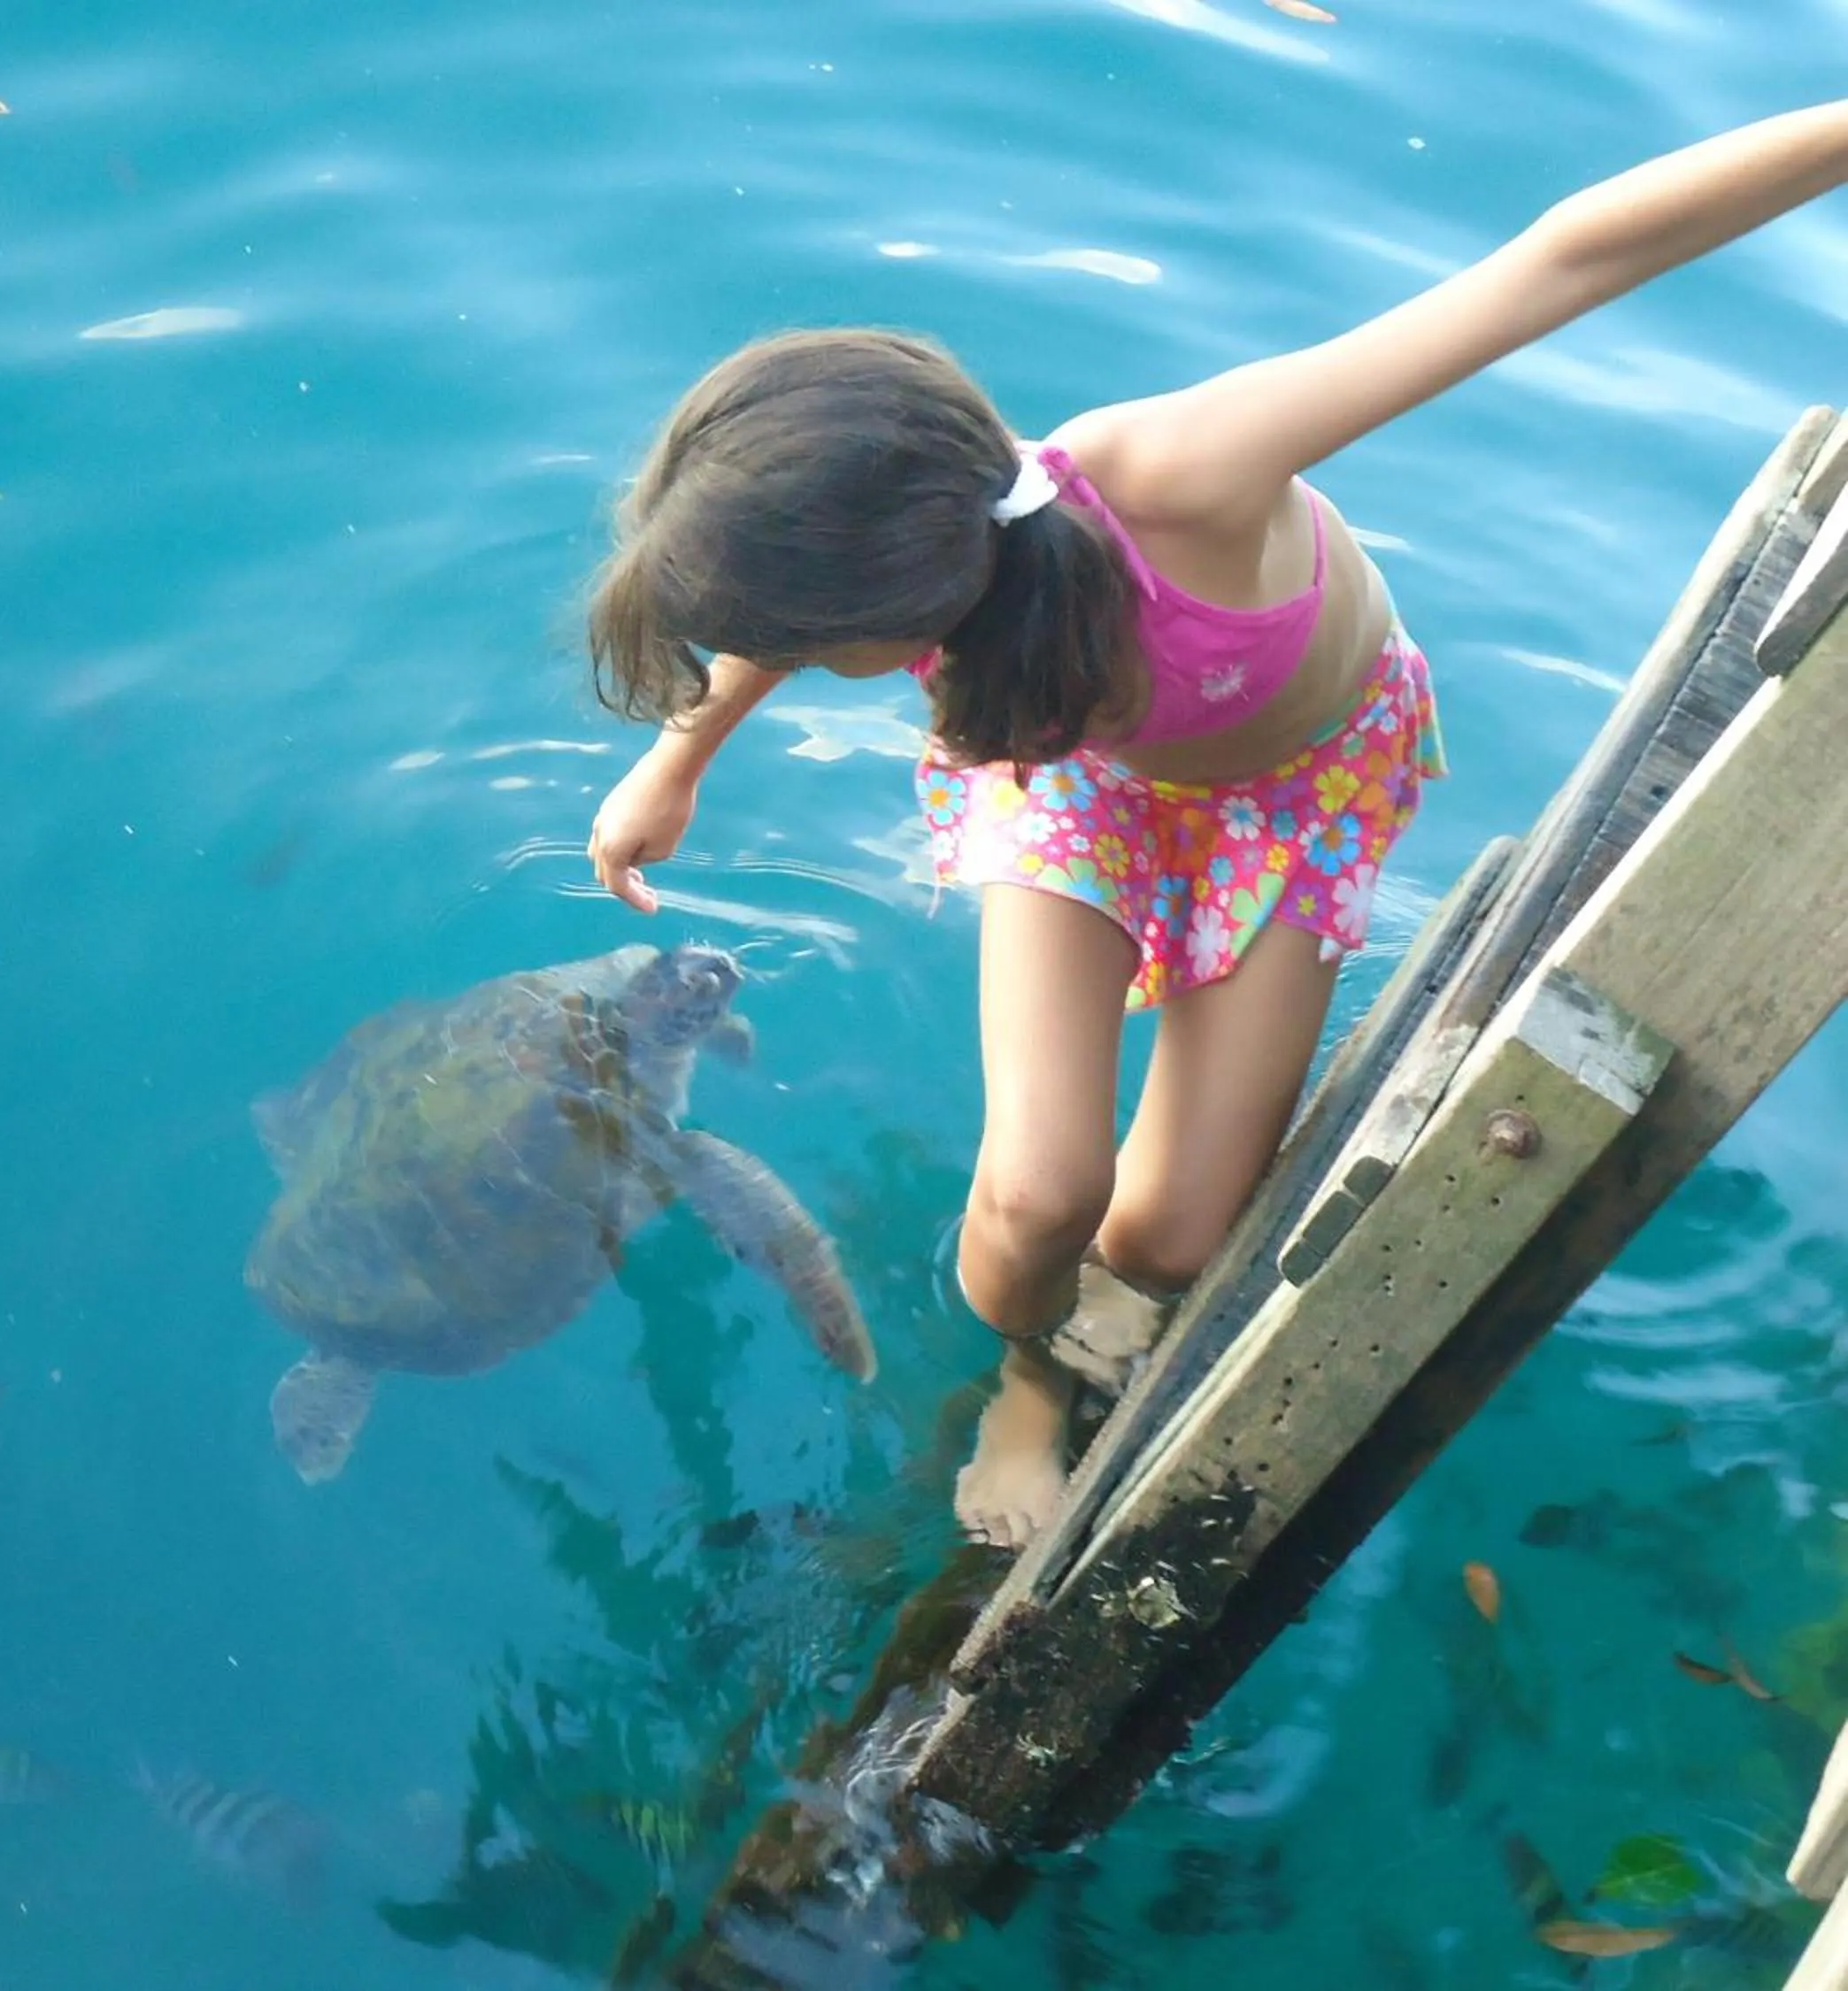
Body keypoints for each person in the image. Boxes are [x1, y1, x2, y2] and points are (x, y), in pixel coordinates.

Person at [579, 101, 1848, 1551]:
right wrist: (675, 763)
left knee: (1171, 1236)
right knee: (1040, 1189)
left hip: (1288, 795)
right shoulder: (917, 569)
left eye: (803, 646)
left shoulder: (1175, 475)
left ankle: (1092, 1328)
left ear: (898, 597)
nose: (789, 662)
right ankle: (1029, 1384)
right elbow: (780, 605)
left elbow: (1559, 259)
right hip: (1077, 787)